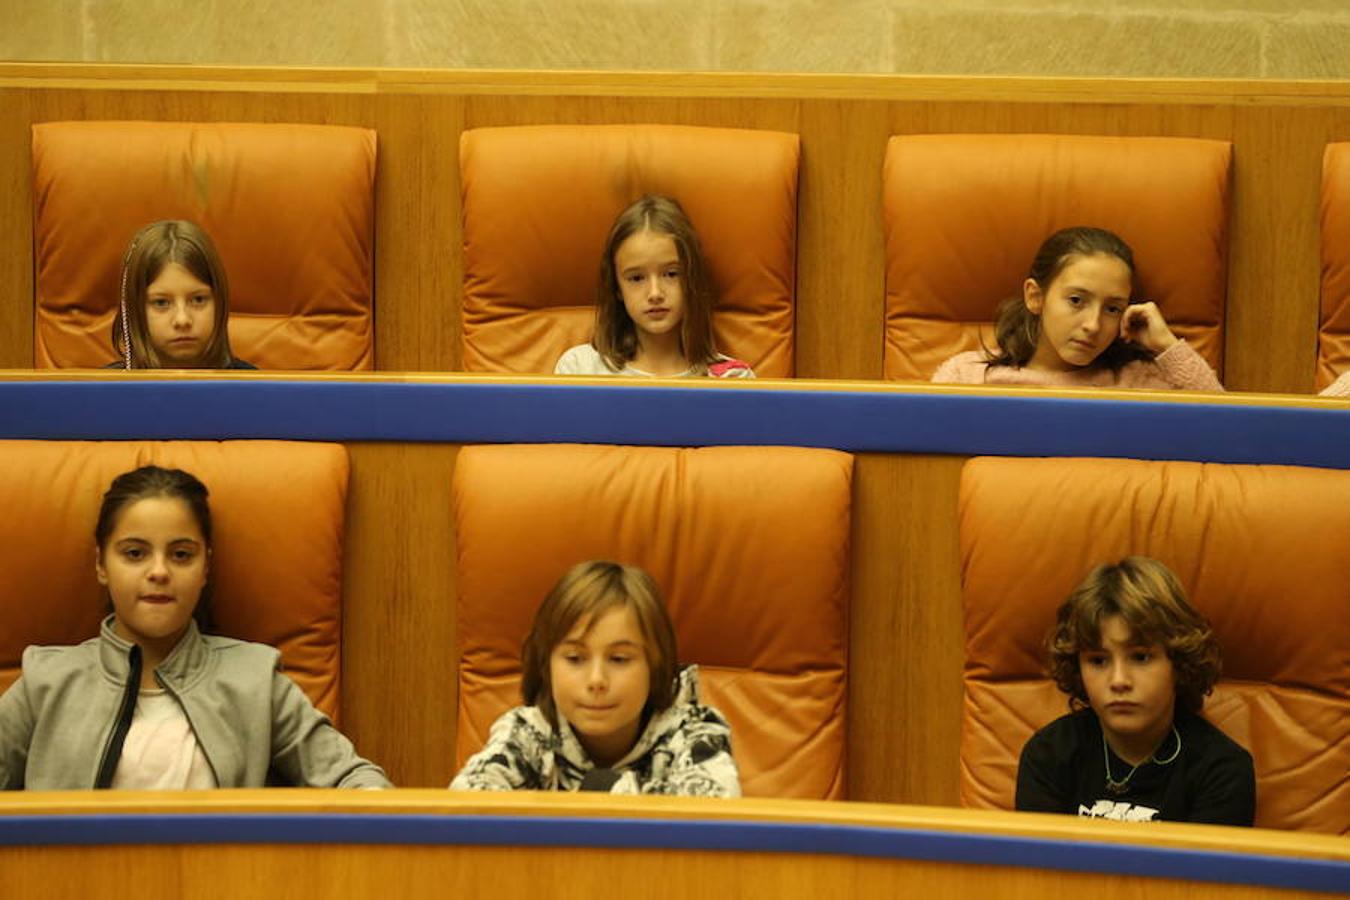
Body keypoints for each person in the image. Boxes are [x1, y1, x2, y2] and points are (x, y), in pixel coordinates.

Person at [0, 465, 388, 789]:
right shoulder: (46, 681)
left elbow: (353, 781)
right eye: (134, 554)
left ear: (205, 567)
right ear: (101, 564)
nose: (158, 572)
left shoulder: (256, 680)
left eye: (181, 555)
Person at [450, 560, 740, 795]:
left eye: (619, 659)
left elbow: (717, 807)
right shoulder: (526, 732)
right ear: (545, 665)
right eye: (575, 659)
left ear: (655, 666)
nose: (597, 680)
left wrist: (602, 788)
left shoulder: (694, 729)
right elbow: (467, 805)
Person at [1015, 557, 1255, 825]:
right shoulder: (1048, 755)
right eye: (1098, 661)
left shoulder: (1221, 770)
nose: (1118, 681)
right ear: (1078, 668)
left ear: (1178, 662)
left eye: (1140, 657)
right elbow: (1037, 867)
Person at [932, 227, 1222, 390]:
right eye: (1076, 301)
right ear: (1036, 297)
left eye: (1112, 309)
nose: (1093, 325)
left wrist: (1167, 345)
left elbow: (1223, 429)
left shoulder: (1136, 380)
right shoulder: (967, 376)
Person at [554, 195, 754, 378]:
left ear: (691, 279)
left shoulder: (733, 378)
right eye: (637, 278)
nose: (655, 293)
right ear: (617, 289)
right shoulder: (579, 369)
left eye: (671, 274)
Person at [110, 220, 256, 369]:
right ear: (134, 310)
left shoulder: (255, 387)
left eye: (198, 300)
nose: (182, 320)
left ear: (220, 303)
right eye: (161, 303)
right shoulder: (104, 387)